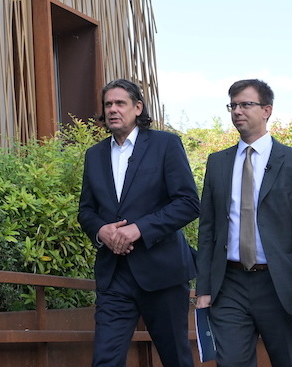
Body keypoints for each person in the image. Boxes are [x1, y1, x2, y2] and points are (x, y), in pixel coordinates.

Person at [194, 78, 292, 367]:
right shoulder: (217, 163)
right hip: (229, 285)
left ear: (267, 110)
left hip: (279, 286)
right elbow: (208, 231)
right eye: (233, 105)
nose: (237, 111)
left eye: (245, 104)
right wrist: (203, 289)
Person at [77, 78, 200, 367]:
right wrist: (101, 231)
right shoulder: (94, 155)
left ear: (138, 108)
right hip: (114, 276)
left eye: (120, 103)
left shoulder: (165, 144)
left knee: (176, 359)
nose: (112, 109)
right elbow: (86, 211)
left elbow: (188, 203)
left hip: (163, 273)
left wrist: (139, 229)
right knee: (105, 360)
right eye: (108, 104)